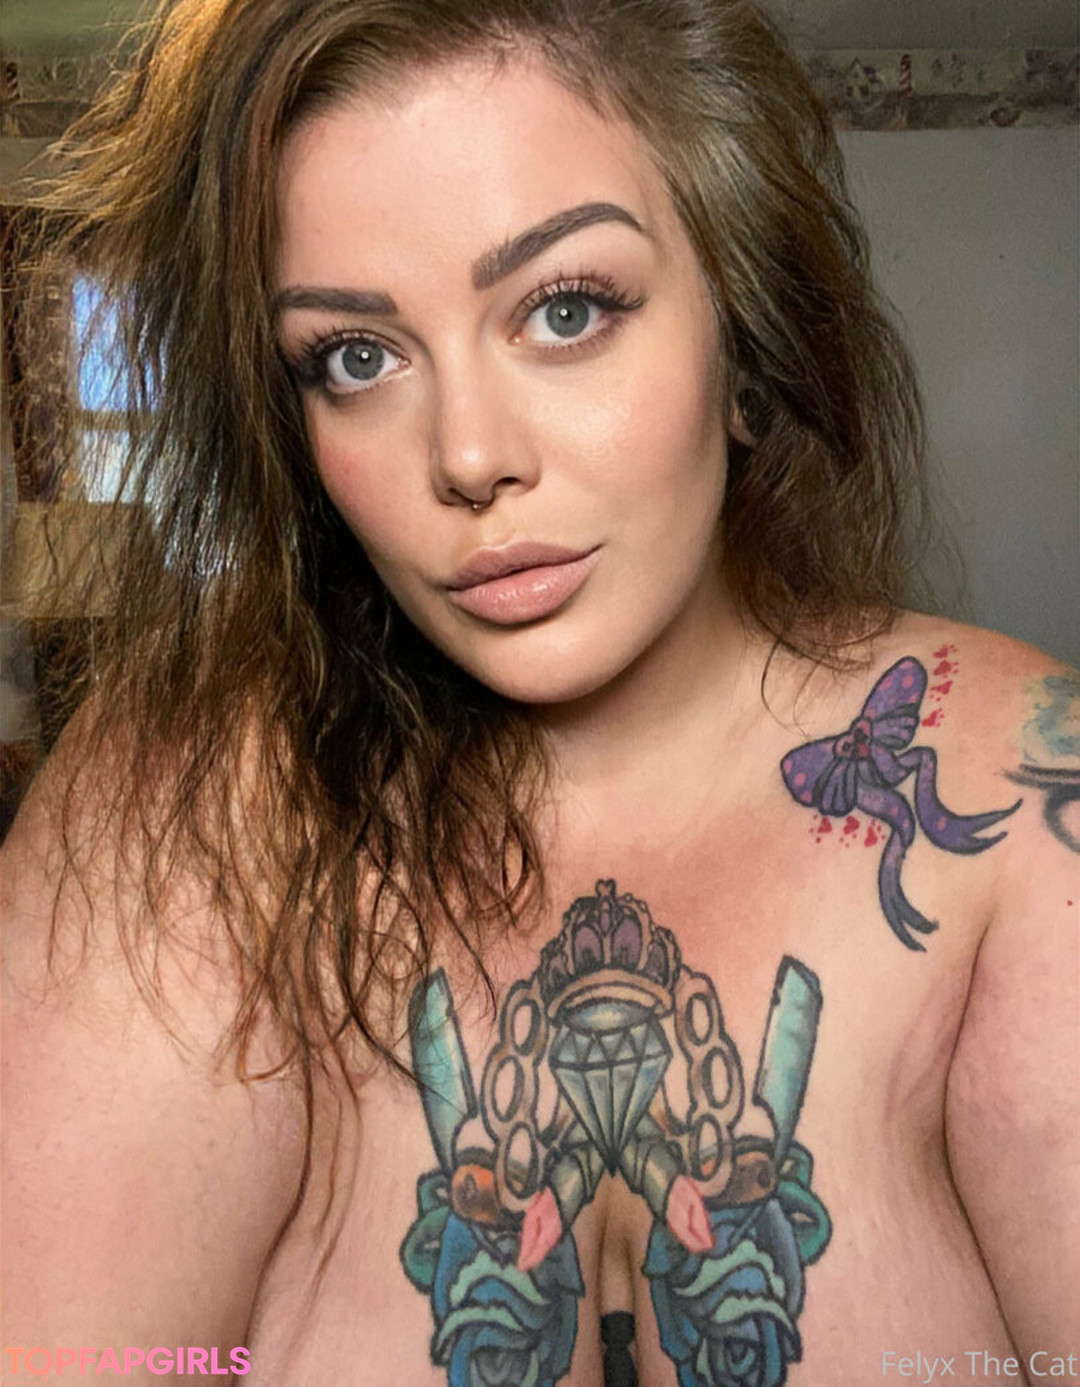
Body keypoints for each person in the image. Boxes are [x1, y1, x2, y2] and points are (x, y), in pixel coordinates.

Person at [3, 1, 1077, 1384]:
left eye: (566, 311)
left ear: (746, 342)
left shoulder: (1019, 801)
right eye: (355, 357)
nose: (466, 455)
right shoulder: (183, 817)